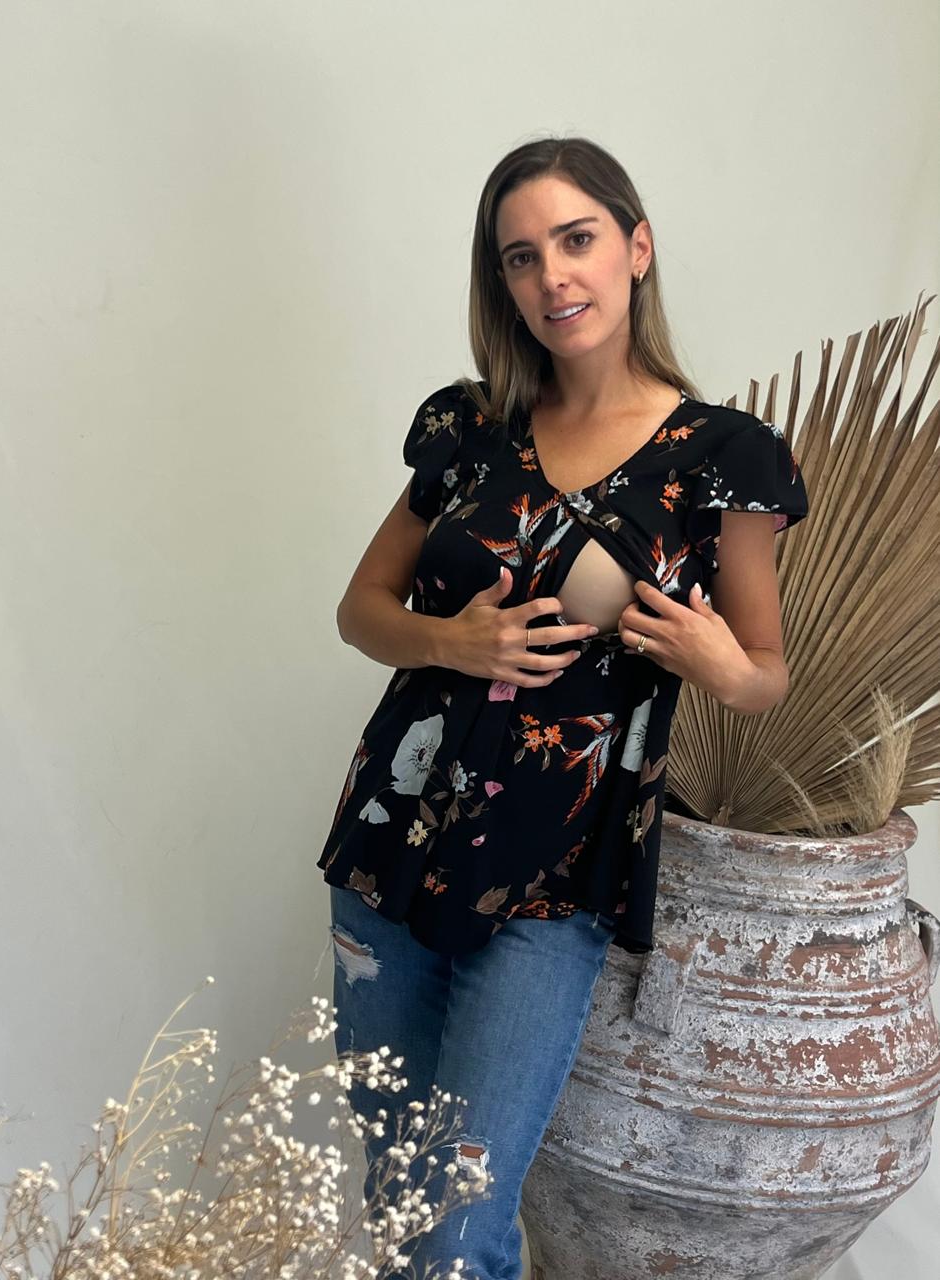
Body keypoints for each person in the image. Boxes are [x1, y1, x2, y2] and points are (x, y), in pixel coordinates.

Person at [315, 135, 809, 1279]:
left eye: (576, 240)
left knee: (461, 1220)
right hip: (391, 839)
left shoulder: (722, 456)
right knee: (398, 1195)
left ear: (636, 246)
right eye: (521, 256)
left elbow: (764, 674)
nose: (552, 277)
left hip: (555, 874)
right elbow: (360, 609)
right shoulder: (468, 426)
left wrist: (711, 656)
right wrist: (454, 638)